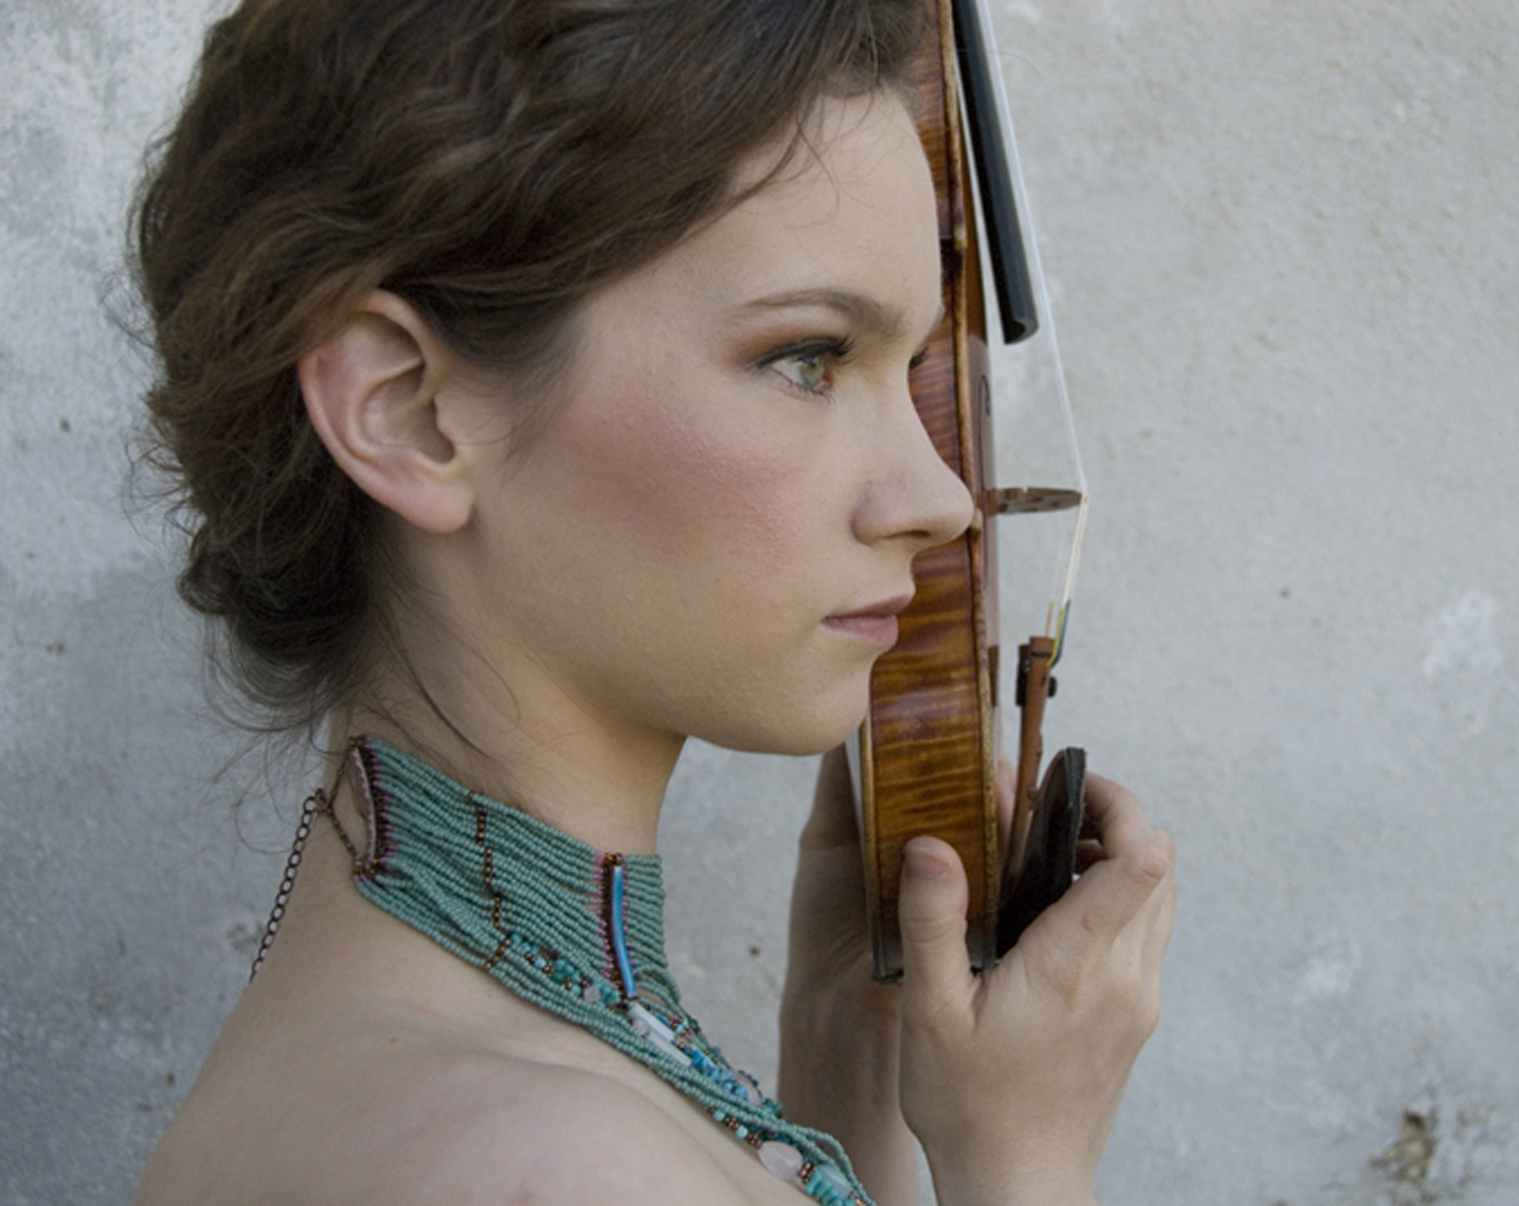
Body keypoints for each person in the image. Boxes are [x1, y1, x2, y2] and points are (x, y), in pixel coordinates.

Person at [129, 1, 1177, 1203]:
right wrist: (1024, 1166)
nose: (941, 499)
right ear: (406, 411)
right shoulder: (563, 1165)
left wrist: (851, 1046)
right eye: (810, 358)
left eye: (913, 370)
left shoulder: (399, 1063)